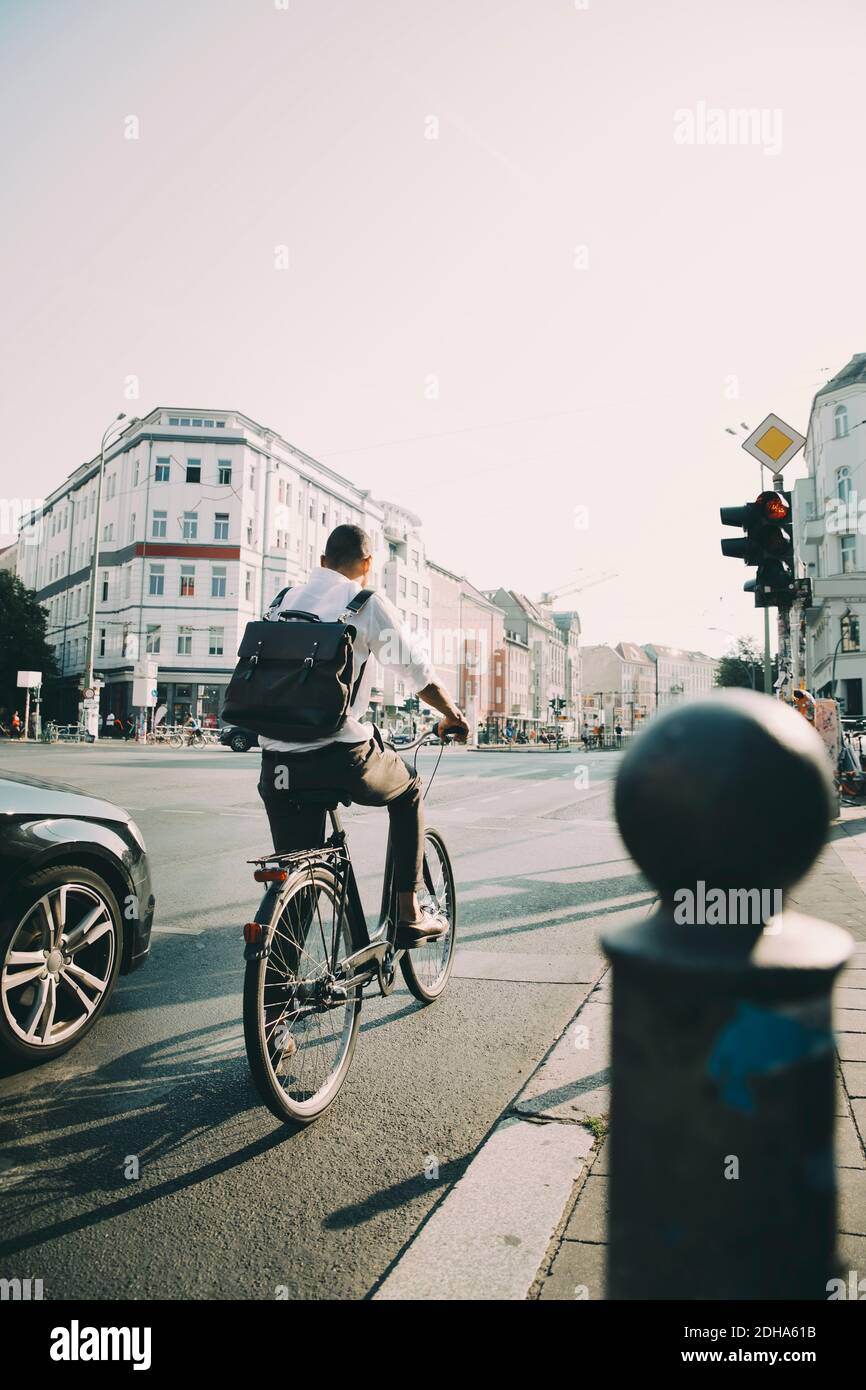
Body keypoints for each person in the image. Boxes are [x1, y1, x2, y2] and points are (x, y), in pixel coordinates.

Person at [258, 524, 469, 947]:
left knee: (297, 873)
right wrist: (452, 715)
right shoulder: (363, 603)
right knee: (409, 789)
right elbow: (416, 672)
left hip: (277, 766)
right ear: (367, 565)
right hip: (338, 756)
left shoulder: (280, 602)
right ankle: (408, 914)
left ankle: (277, 1001)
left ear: (322, 561)